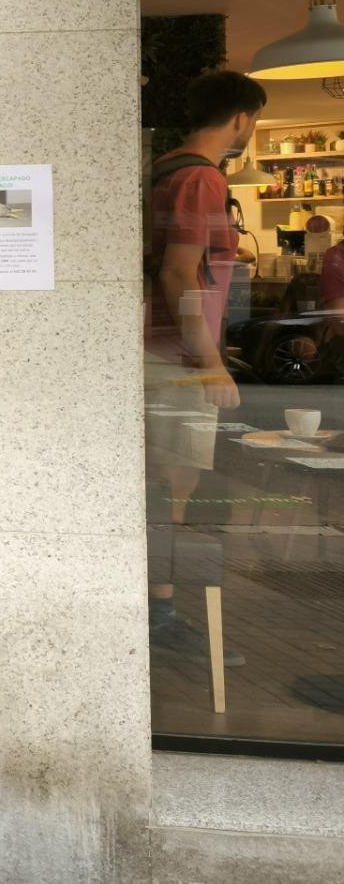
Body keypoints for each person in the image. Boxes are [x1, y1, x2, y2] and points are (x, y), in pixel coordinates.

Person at [145, 69, 267, 663]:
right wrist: (210, 361)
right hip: (174, 354)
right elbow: (179, 271)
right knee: (174, 483)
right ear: (242, 118)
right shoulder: (201, 177)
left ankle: (155, 607)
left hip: (162, 348)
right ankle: (159, 615)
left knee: (163, 483)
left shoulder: (167, 169)